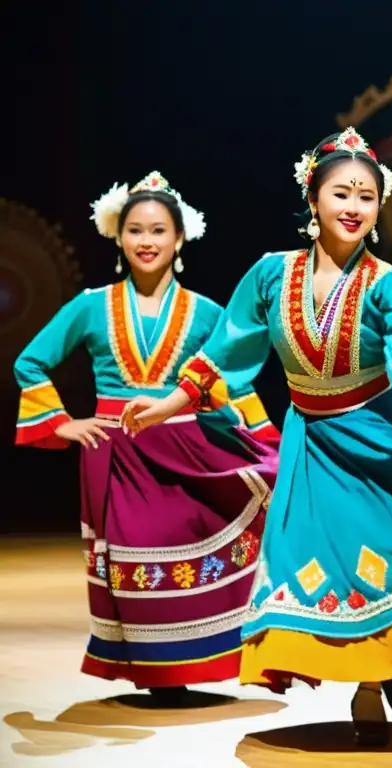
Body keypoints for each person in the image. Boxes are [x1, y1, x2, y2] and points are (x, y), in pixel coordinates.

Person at [119, 129, 392, 746]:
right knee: (324, 570)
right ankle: (369, 671)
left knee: (384, 558)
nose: (353, 206)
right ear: (313, 198)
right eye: (341, 193)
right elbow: (224, 354)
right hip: (308, 444)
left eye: (367, 196)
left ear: (379, 210)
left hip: (378, 440)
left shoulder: (388, 285)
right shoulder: (272, 276)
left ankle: (373, 681)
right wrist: (165, 406)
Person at [13, 171, 279, 703]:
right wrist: (63, 423)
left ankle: (198, 659)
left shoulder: (206, 313)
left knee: (190, 548)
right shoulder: (92, 306)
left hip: (185, 449)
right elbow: (31, 361)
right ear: (118, 237)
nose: (147, 241)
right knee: (134, 565)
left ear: (179, 239)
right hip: (116, 454)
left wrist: (265, 440)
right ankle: (157, 671)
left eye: (159, 231)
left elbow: (232, 380)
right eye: (136, 230)